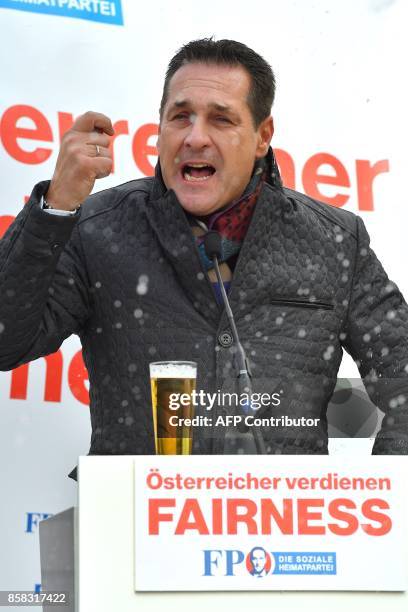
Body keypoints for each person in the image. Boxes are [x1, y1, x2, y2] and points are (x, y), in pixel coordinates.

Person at [0, 38, 407, 475]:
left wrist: (382, 506)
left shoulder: (334, 240)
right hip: (137, 528)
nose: (195, 137)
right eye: (180, 117)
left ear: (262, 137)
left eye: (221, 119)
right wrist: (55, 208)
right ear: (159, 128)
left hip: (286, 535)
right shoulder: (97, 228)